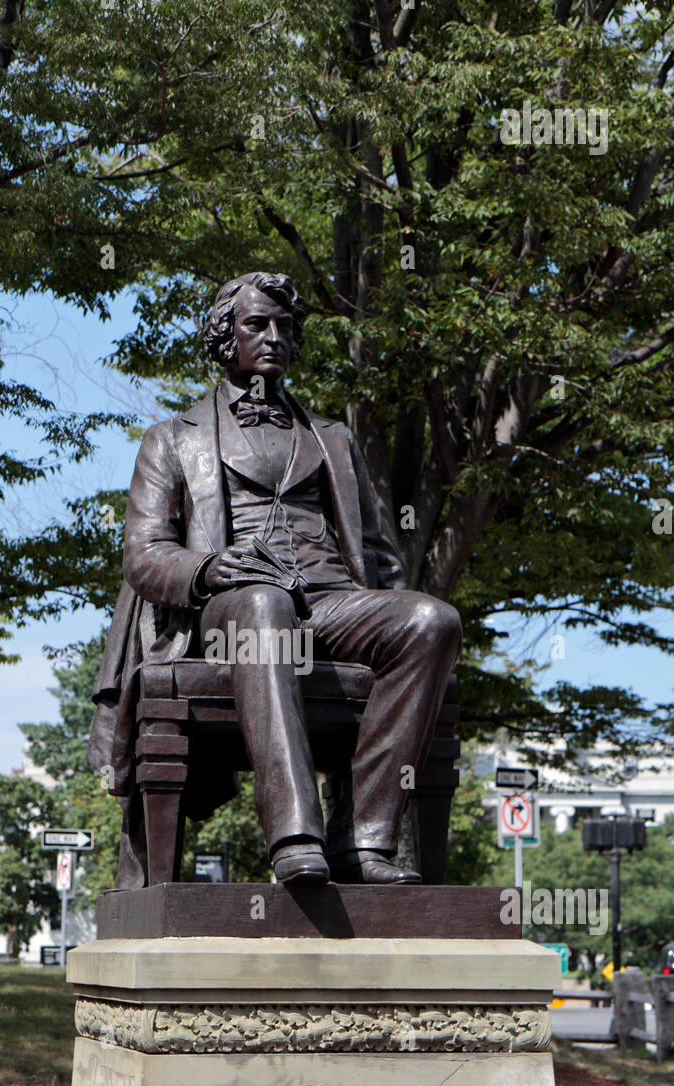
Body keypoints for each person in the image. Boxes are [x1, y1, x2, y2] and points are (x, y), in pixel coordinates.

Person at [88, 271, 462, 886]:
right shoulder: (171, 440)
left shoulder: (333, 439)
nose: (273, 337)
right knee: (264, 606)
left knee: (432, 620)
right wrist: (207, 569)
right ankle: (294, 833)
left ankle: (362, 840)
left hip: (331, 602)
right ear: (222, 336)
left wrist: (394, 616)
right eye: (256, 324)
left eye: (285, 327)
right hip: (232, 608)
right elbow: (144, 553)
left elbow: (379, 554)